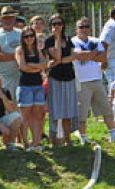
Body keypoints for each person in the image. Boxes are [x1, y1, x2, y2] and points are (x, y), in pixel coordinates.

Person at [73, 18, 115, 143]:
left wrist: (88, 55)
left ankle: (113, 133)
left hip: (97, 79)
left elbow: (103, 58)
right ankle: (83, 136)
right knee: (82, 111)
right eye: (81, 27)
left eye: (86, 26)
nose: (84, 29)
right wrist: (95, 54)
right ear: (76, 29)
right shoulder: (73, 42)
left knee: (106, 108)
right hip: (81, 81)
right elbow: (78, 56)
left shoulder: (95, 40)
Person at [44, 16, 78, 146]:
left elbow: (74, 56)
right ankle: (55, 140)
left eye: (59, 23)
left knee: (68, 110)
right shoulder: (49, 41)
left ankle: (68, 139)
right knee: (56, 109)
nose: (57, 26)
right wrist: (57, 38)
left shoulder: (69, 39)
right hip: (56, 78)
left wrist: (61, 61)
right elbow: (56, 55)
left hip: (69, 77)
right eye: (54, 24)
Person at [15, 26, 47, 150]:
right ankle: (26, 143)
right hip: (25, 86)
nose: (29, 39)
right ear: (22, 38)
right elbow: (23, 67)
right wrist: (37, 67)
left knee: (38, 115)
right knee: (25, 116)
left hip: (38, 85)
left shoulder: (37, 50)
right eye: (26, 36)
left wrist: (32, 65)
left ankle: (36, 142)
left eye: (31, 36)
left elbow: (44, 64)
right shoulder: (20, 50)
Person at [0, 7, 23, 98]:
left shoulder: (21, 33)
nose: (8, 20)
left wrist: (8, 56)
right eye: (5, 18)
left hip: (20, 75)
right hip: (4, 76)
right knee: (5, 101)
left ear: (14, 19)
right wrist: (18, 56)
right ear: (1, 20)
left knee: (19, 104)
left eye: (11, 18)